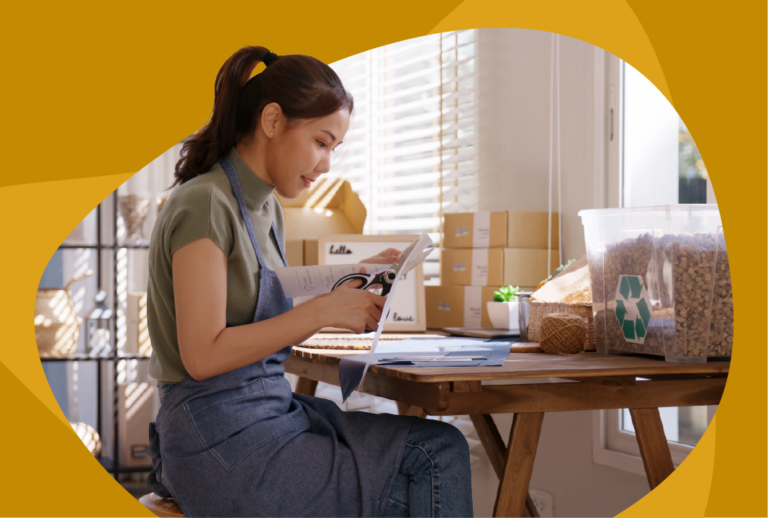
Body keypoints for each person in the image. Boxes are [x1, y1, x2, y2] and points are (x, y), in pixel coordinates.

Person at [145, 46, 473, 517]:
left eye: (333, 148)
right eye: (321, 142)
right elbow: (203, 355)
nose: (326, 165)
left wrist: (362, 270)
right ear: (273, 121)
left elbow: (257, 287)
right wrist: (320, 312)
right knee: (432, 462)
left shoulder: (267, 208)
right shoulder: (205, 204)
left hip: (263, 412)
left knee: (439, 445)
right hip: (215, 435)